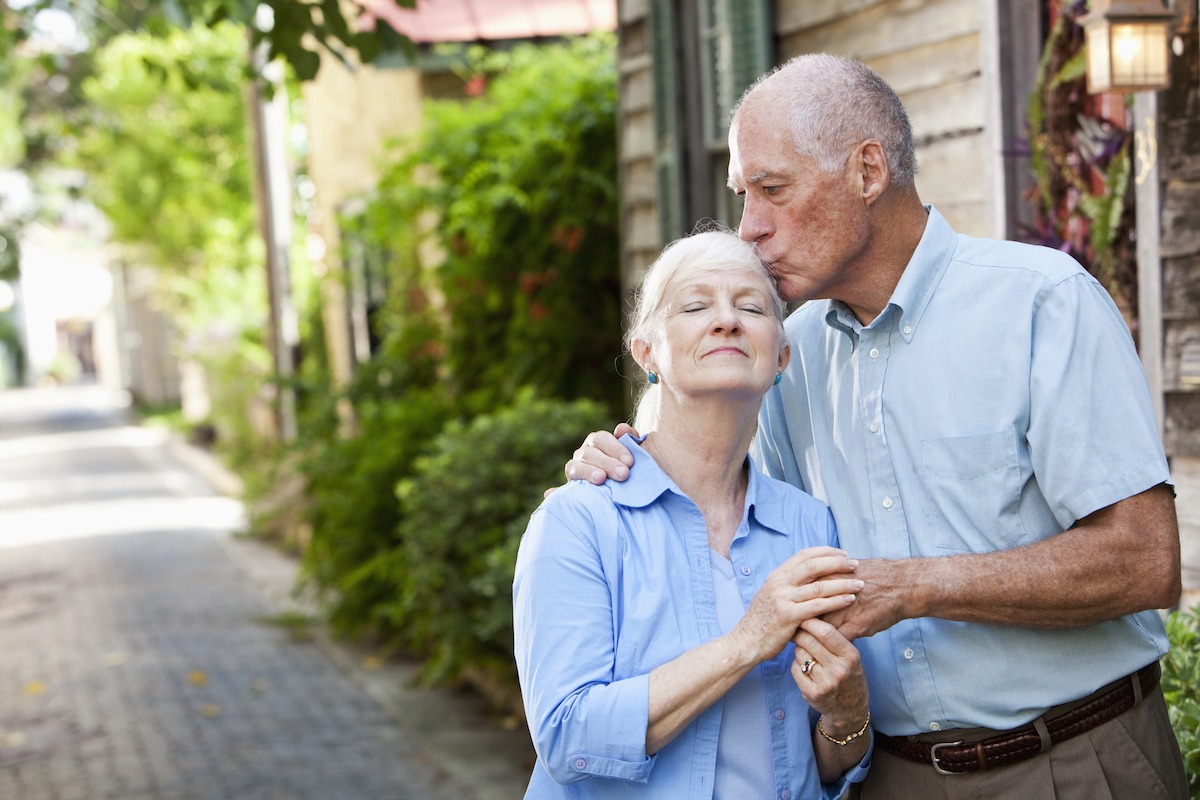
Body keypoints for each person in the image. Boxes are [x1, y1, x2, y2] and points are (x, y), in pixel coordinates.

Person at [564, 53, 1187, 798]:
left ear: (866, 172)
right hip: (882, 775)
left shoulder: (1041, 303)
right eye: (741, 196)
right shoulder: (787, 358)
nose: (749, 230)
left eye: (771, 191)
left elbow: (1145, 561)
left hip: (1077, 761)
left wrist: (914, 587)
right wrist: (628, 453)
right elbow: (718, 502)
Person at [513, 229, 873, 799]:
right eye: (696, 306)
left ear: (780, 356)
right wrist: (747, 641)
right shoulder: (580, 523)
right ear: (648, 354)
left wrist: (846, 713)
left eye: (751, 307)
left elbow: (822, 765)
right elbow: (566, 737)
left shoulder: (810, 526)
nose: (727, 320)